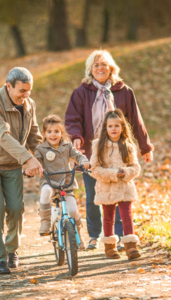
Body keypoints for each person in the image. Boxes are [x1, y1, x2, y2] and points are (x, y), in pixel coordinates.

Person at [65, 50, 153, 250]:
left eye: (104, 64)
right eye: (95, 65)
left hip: (119, 151)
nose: (100, 68)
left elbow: (135, 120)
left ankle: (122, 236)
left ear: (111, 67)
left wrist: (145, 146)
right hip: (91, 152)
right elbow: (72, 119)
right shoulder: (81, 92)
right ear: (90, 70)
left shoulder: (124, 91)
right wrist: (76, 137)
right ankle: (95, 235)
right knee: (93, 195)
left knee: (120, 193)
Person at [0, 67, 43, 274]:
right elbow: (2, 137)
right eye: (22, 91)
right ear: (8, 86)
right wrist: (27, 158)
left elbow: (34, 135)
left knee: (15, 208)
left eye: (29, 90)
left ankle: (12, 250)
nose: (26, 95)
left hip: (12, 162)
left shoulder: (29, 104)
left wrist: (39, 158)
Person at [29, 115, 90, 249]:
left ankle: (78, 234)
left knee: (73, 210)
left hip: (65, 183)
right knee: (45, 191)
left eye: (56, 131)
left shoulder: (67, 146)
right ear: (44, 134)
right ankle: (45, 221)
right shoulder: (40, 148)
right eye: (49, 132)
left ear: (61, 132)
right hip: (49, 182)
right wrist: (34, 168)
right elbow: (36, 160)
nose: (53, 135)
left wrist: (83, 161)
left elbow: (77, 155)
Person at [90, 109, 141, 260]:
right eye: (110, 126)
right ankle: (110, 247)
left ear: (122, 128)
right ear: (106, 128)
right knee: (108, 217)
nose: (113, 129)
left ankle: (131, 246)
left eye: (117, 126)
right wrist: (112, 174)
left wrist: (125, 172)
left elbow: (135, 167)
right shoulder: (99, 146)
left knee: (126, 215)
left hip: (124, 187)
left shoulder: (128, 146)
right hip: (106, 187)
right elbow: (94, 169)